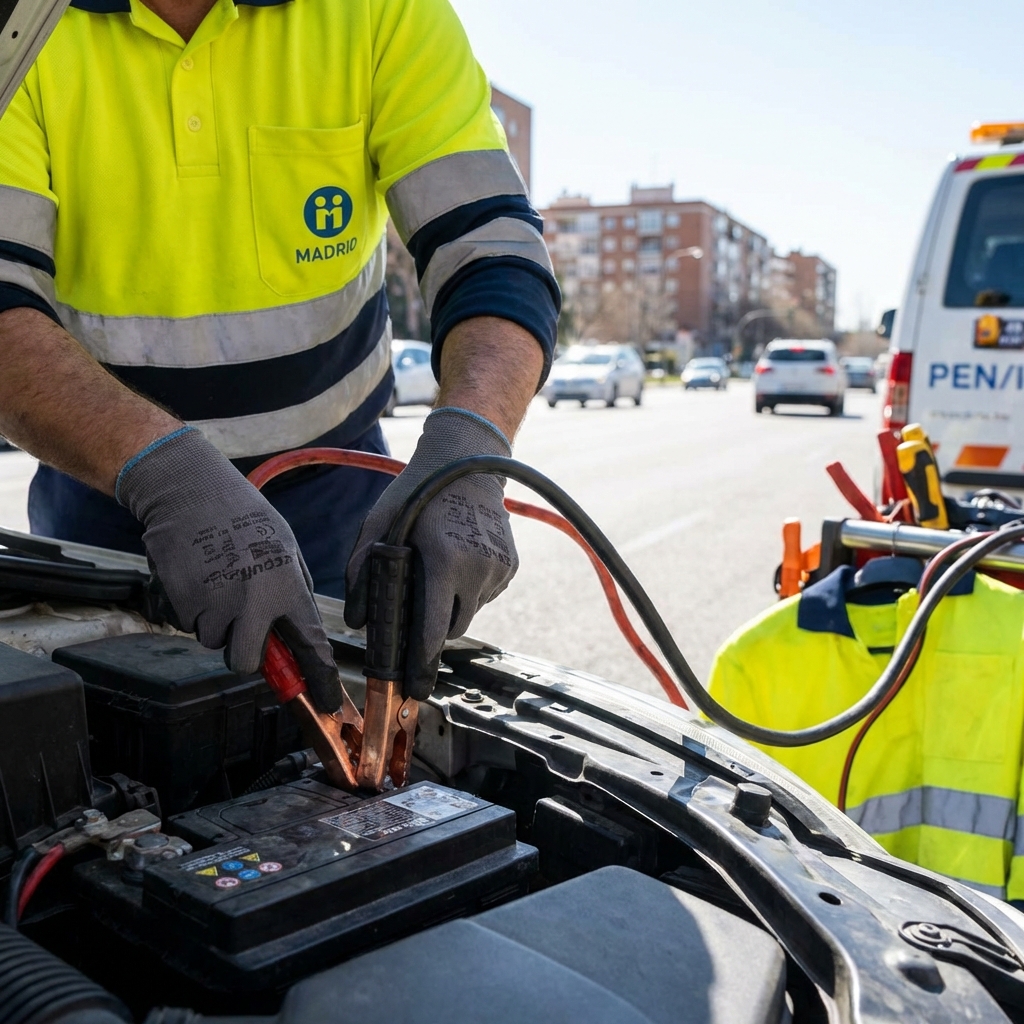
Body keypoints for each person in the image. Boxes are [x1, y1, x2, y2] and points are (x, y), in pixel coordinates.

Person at [0, 0, 559, 711]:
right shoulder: (22, 25)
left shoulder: (380, 11)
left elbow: (491, 249)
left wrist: (471, 444)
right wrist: (165, 472)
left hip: (333, 505)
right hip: (109, 498)